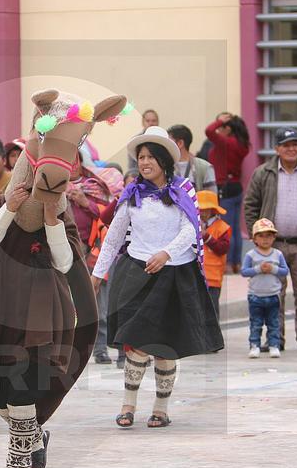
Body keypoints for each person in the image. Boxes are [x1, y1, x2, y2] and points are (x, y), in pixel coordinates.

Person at [91, 125, 223, 429]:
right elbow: (113, 236)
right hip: (137, 273)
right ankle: (128, 406)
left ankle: (161, 408)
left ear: (164, 160)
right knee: (135, 341)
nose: (145, 162)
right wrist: (98, 274)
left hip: (174, 274)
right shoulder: (132, 194)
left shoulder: (183, 190)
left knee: (165, 345)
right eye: (141, 157)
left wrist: (165, 253)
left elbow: (191, 228)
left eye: (151, 157)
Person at [243, 126, 297, 352]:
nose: (291, 149)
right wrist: (257, 237)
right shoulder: (263, 173)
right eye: (286, 145)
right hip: (273, 245)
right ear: (277, 149)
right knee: (274, 294)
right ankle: (275, 338)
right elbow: (250, 205)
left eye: (295, 144)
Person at [205, 112, 251, 273]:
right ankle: (236, 262)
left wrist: (218, 121)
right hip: (236, 187)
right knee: (236, 228)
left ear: (228, 128)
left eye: (222, 127)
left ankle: (228, 264)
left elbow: (209, 131)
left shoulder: (226, 143)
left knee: (225, 227)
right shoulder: (242, 144)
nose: (219, 130)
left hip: (224, 188)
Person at [241, 219, 289, 358]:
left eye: (269, 235)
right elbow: (244, 271)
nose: (265, 239)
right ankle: (254, 345)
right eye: (261, 236)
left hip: (273, 295)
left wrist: (273, 269)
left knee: (274, 323)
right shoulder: (251, 255)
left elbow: (285, 271)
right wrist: (258, 269)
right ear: (254, 238)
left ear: (274, 238)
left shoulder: (277, 254)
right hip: (255, 295)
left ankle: (274, 345)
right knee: (256, 323)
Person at [196, 190, 231, 323]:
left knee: (211, 312)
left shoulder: (222, 227)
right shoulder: (192, 225)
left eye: (206, 209)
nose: (203, 212)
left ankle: (214, 342)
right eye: (200, 209)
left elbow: (223, 249)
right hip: (196, 276)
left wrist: (207, 237)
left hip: (213, 278)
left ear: (213, 210)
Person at [166, 124, 216, 193]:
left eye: (169, 142)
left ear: (180, 143)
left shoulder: (205, 167)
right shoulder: (164, 167)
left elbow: (211, 199)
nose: (166, 146)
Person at [127, 109, 159, 173]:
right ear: (143, 122)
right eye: (147, 121)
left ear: (158, 122)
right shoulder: (136, 141)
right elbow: (132, 166)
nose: (151, 123)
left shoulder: (165, 140)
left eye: (154, 121)